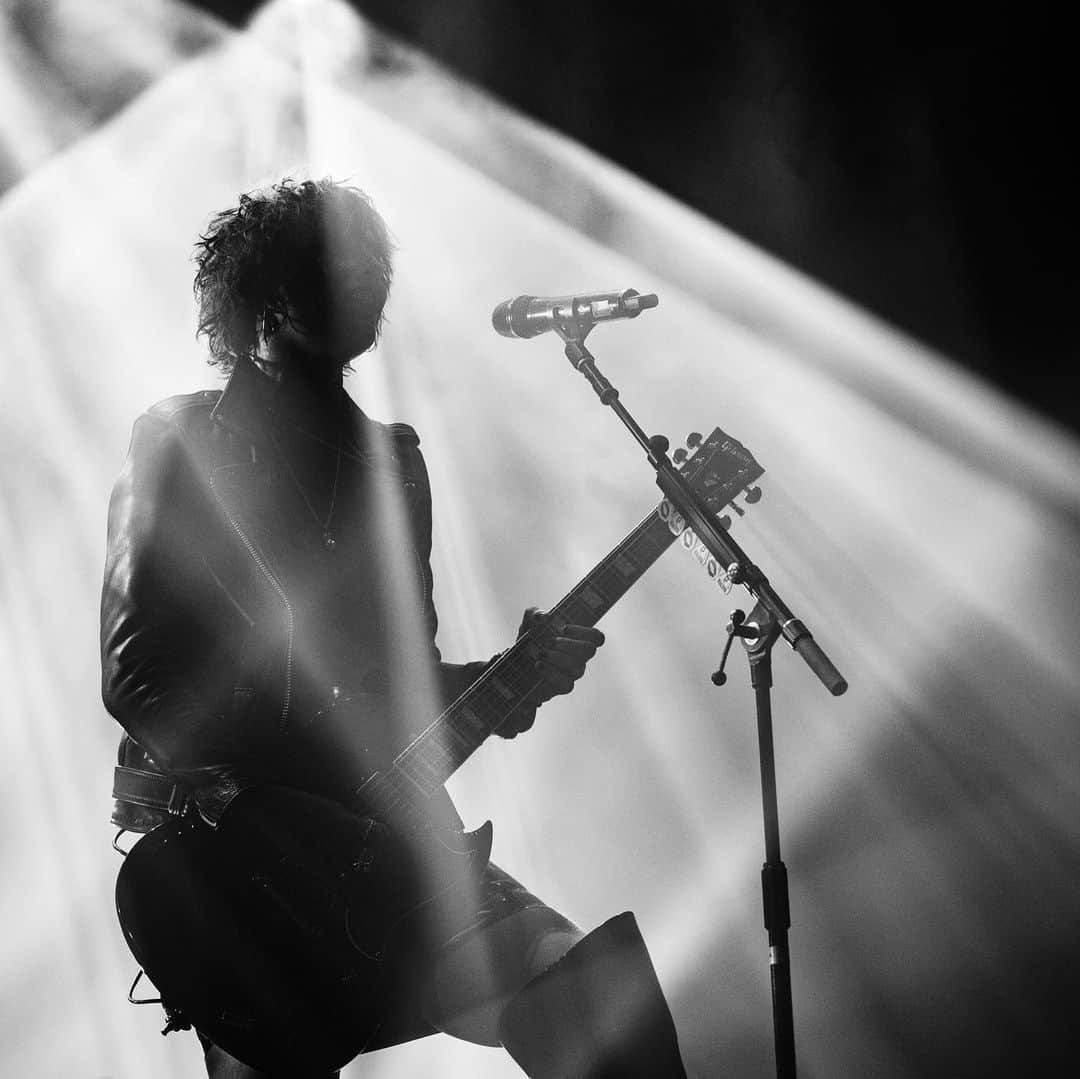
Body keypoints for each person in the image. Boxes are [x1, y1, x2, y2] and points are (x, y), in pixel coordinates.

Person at [101, 177, 688, 1078]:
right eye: (335, 260)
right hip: (245, 862)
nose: (366, 276)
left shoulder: (392, 464)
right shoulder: (181, 437)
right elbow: (138, 675)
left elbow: (401, 686)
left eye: (372, 258)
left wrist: (518, 671)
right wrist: (294, 793)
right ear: (269, 296)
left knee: (588, 990)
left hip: (388, 845)